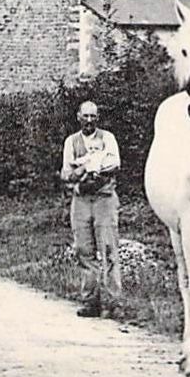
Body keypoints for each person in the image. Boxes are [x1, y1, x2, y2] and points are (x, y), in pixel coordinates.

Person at [59, 100, 121, 317]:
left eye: (93, 116)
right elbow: (67, 173)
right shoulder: (71, 141)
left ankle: (113, 303)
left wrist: (84, 168)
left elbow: (114, 164)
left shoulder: (108, 138)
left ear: (98, 117)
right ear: (78, 117)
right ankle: (90, 301)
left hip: (104, 199)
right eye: (85, 116)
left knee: (108, 249)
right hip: (81, 201)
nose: (89, 120)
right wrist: (84, 172)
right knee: (84, 250)